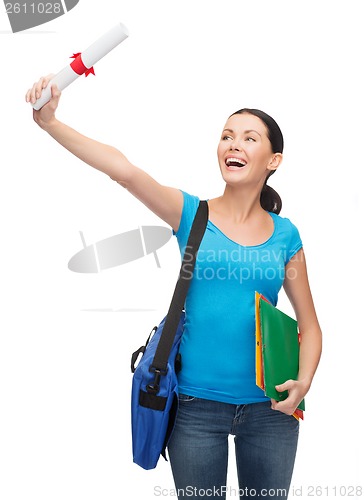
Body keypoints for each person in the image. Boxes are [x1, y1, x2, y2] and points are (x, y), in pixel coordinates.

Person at [26, 76, 322, 499]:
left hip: (272, 410)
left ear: (273, 160)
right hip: (195, 410)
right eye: (226, 136)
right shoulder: (190, 214)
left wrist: (303, 383)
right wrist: (51, 123)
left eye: (248, 138)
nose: (233, 145)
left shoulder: (286, 236)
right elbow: (125, 172)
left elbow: (310, 327)